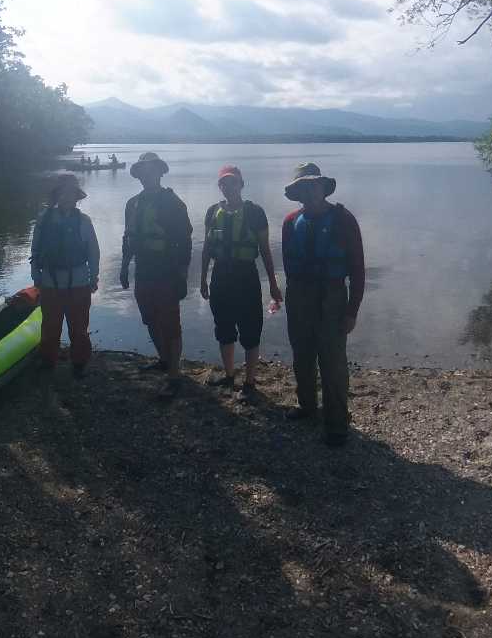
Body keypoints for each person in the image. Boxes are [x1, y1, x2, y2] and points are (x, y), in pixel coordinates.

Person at [280, 162, 365, 446]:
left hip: (332, 298)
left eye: (314, 184)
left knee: (333, 364)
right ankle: (306, 406)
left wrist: (352, 311)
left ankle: (337, 425)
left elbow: (357, 270)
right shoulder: (291, 221)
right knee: (302, 355)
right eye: (304, 186)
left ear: (323, 188)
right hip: (299, 295)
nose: (310, 190)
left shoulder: (344, 220)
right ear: (298, 191)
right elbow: (288, 266)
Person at [199, 165, 281, 396]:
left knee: (250, 329)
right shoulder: (212, 211)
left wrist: (273, 285)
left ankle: (250, 382)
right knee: (223, 327)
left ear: (241, 184)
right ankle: (229, 375)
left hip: (246, 276)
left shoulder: (255, 213)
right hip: (221, 276)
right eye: (224, 183)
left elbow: (265, 251)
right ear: (220, 186)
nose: (228, 186)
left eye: (233, 182)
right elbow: (206, 249)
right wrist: (203, 279)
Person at [118, 151, 192, 398]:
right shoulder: (132, 203)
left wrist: (182, 275)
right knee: (149, 318)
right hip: (143, 268)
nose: (146, 175)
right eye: (142, 171)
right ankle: (163, 360)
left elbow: (185, 241)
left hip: (167, 269)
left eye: (150, 170)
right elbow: (128, 238)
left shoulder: (173, 203)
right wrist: (123, 266)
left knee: (170, 322)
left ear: (159, 172)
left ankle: (174, 375)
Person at [30, 171, 100, 377]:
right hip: (50, 282)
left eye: (71, 193)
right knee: (50, 325)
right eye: (63, 193)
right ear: (57, 195)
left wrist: (93, 276)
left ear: (76, 197)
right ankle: (48, 361)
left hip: (78, 282)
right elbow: (35, 250)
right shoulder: (43, 220)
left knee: (79, 327)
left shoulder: (84, 221)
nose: (67, 197)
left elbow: (93, 251)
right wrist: (36, 277)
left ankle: (79, 363)